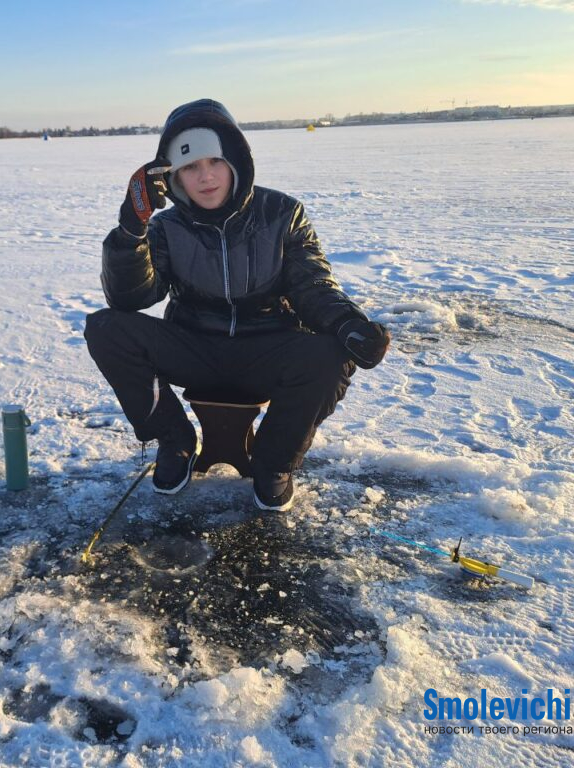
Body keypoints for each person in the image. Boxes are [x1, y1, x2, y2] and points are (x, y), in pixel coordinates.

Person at [84, 99, 390, 511]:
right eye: (190, 167)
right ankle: (174, 442)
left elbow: (312, 286)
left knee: (331, 352)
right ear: (172, 177)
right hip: (194, 347)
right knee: (106, 328)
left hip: (268, 347)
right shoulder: (166, 226)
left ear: (235, 161)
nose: (205, 176)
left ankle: (274, 462)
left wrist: (347, 324)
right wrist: (130, 230)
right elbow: (130, 299)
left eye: (214, 161)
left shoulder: (282, 213)